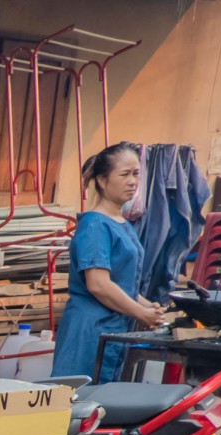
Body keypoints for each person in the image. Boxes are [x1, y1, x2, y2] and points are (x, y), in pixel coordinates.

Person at [52, 142, 167, 384]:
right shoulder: (95, 225)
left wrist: (150, 309)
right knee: (81, 402)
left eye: (136, 174)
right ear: (102, 181)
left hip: (114, 328)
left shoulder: (122, 222)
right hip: (90, 330)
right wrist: (141, 314)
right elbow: (99, 285)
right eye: (124, 174)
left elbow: (122, 285)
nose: (133, 181)